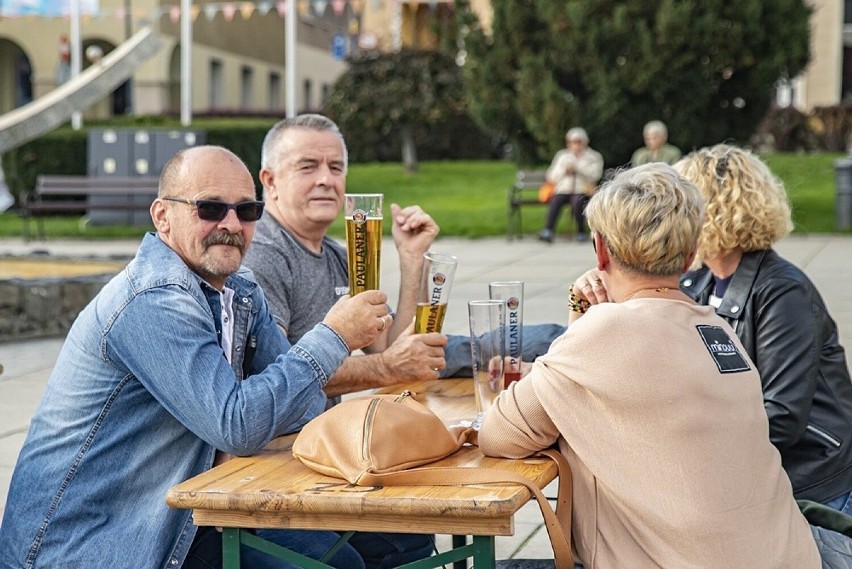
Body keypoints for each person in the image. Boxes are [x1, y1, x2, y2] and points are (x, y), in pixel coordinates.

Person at [0, 146, 426, 569]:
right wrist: (333, 336)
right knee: (336, 564)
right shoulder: (153, 300)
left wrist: (249, 418)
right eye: (210, 209)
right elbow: (239, 424)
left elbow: (302, 408)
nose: (231, 224)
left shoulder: (239, 288)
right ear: (162, 216)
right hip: (96, 543)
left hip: (184, 513)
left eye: (246, 210)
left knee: (402, 539)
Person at [479, 163, 829, 567]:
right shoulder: (717, 330)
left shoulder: (602, 333)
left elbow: (498, 435)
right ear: (692, 255)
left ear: (601, 250)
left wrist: (581, 310)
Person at [244, 114, 563, 384]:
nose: (327, 179)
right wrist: (385, 368)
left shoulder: (339, 256)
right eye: (308, 166)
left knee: (500, 350)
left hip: (323, 436)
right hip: (284, 447)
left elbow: (390, 345)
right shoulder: (265, 254)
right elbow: (279, 374)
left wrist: (412, 260)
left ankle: (579, 340)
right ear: (270, 181)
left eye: (337, 168)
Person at [675, 144, 852, 513]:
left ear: (710, 212)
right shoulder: (698, 284)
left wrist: (688, 448)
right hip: (753, 470)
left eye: (678, 206)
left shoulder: (782, 291)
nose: (668, 218)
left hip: (812, 483)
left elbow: (782, 415)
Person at [538, 127, 603, 244]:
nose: (576, 145)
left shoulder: (594, 156)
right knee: (556, 200)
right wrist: (564, 170)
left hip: (583, 190)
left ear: (585, 142)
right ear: (568, 143)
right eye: (573, 141)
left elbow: (595, 175)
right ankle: (548, 230)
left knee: (578, 201)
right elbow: (551, 176)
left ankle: (581, 231)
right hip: (563, 190)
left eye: (579, 141)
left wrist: (577, 169)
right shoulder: (562, 156)